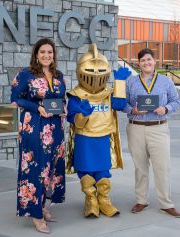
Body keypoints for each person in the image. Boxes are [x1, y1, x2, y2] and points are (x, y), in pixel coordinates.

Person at [66, 43, 131, 218]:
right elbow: (74, 121)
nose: (95, 76)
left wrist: (120, 83)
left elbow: (119, 104)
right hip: (85, 139)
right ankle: (91, 200)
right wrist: (83, 115)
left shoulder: (109, 93)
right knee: (86, 170)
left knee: (103, 171)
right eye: (91, 71)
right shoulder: (75, 94)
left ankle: (104, 200)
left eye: (100, 72)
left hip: (103, 138)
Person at [11, 38, 67, 233]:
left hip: (56, 128)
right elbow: (15, 98)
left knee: (51, 168)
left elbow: (62, 98)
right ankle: (35, 214)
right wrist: (37, 108)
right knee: (35, 168)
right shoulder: (25, 75)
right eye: (42, 52)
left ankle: (43, 206)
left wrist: (64, 108)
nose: (46, 55)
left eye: (49, 52)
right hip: (34, 128)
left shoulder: (58, 75)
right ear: (36, 54)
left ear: (54, 55)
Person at [123, 48, 180, 218]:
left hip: (158, 127)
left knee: (162, 167)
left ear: (154, 61)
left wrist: (166, 108)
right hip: (136, 127)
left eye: (149, 59)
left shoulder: (165, 81)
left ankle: (166, 203)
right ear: (138, 63)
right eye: (142, 60)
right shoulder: (131, 82)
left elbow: (176, 101)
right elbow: (123, 104)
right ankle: (142, 200)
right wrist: (132, 109)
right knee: (140, 167)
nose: (146, 63)